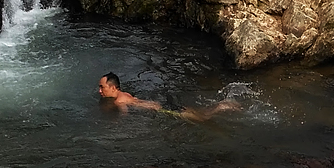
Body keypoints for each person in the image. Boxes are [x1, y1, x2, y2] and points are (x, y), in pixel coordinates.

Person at [97, 72, 241, 120]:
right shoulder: (125, 94)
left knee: (203, 118)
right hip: (161, 106)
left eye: (102, 87)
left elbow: (124, 115)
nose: (100, 91)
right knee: (200, 112)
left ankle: (224, 105)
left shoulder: (119, 100)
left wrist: (116, 124)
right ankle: (224, 104)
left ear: (113, 87)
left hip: (163, 110)